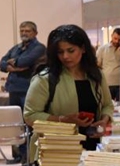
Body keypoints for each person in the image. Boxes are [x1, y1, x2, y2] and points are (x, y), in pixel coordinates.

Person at [23, 24, 114, 152]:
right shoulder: (44, 79)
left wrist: (104, 121)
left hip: (91, 146)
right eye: (60, 52)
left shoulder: (96, 76)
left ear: (83, 49)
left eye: (71, 50)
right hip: (55, 151)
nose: (65, 56)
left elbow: (107, 105)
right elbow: (30, 115)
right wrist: (63, 120)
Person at [0, 21, 46, 163]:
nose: (24, 33)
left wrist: (16, 63)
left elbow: (26, 61)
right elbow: (2, 62)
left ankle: (30, 157)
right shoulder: (16, 48)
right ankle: (18, 156)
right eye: (22, 31)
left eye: (27, 31)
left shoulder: (39, 48)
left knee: (29, 124)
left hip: (28, 90)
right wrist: (13, 66)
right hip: (13, 89)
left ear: (35, 33)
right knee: (16, 124)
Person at [96, 28, 120, 107]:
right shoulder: (102, 49)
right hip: (107, 83)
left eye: (119, 39)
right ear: (111, 36)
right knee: (106, 107)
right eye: (115, 38)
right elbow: (97, 64)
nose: (117, 41)